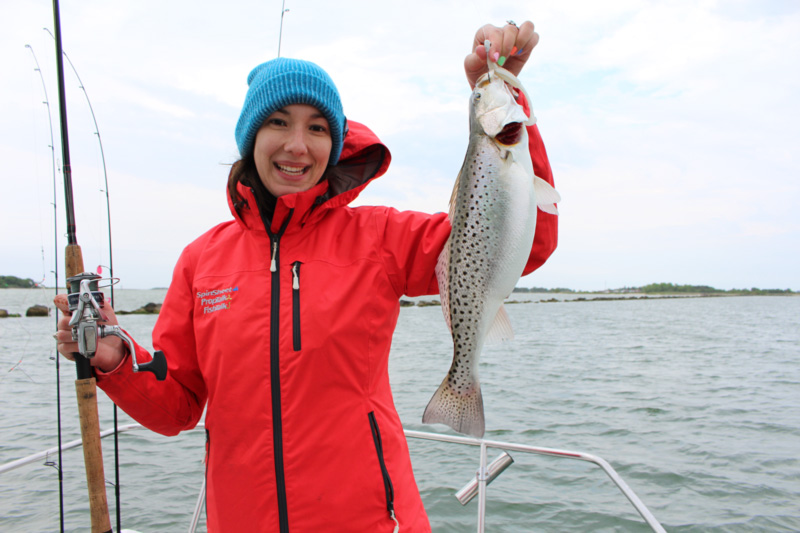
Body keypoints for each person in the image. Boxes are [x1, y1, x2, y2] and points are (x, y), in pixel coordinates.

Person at [55, 21, 558, 532]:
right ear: (251, 136)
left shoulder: (380, 237)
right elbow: (177, 409)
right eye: (278, 122)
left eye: (317, 127)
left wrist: (505, 100)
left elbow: (525, 244)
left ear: (335, 143)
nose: (297, 145)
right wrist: (114, 359)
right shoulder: (199, 260)